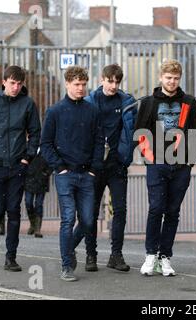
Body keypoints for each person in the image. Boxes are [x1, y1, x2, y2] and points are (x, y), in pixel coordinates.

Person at [135, 59, 196, 276]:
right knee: (156, 209)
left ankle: (165, 257)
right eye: (168, 78)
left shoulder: (189, 102)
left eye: (175, 78)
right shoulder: (148, 103)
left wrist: (189, 162)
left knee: (173, 212)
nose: (171, 82)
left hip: (181, 166)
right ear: (161, 77)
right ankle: (150, 255)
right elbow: (140, 132)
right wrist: (151, 157)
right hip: (157, 164)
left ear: (179, 79)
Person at [0, 65, 41, 272]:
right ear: (4, 82)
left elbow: (36, 133)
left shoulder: (28, 104)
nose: (16, 87)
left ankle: (11, 257)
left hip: (18, 167)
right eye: (12, 83)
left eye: (19, 84)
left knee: (14, 211)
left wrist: (27, 158)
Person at [40, 66, 104, 282]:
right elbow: (45, 143)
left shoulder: (92, 111)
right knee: (68, 219)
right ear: (67, 84)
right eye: (76, 84)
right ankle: (67, 265)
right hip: (65, 174)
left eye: (84, 84)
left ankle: (69, 249)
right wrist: (59, 167)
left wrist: (95, 168)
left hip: (87, 174)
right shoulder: (55, 111)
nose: (80, 88)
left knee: (87, 220)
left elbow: (98, 141)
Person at [72, 64, 137, 272]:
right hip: (94, 166)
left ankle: (116, 255)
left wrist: (126, 152)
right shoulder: (89, 102)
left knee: (120, 210)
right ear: (102, 79)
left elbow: (133, 130)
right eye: (110, 81)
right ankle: (90, 254)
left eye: (117, 82)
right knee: (89, 212)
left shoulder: (127, 102)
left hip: (117, 165)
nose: (114, 85)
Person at [24, 150, 52, 238]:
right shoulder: (28, 148)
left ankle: (37, 229)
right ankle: (32, 223)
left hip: (41, 179)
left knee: (39, 204)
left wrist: (47, 172)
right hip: (29, 179)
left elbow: (52, 160)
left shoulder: (46, 147)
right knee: (28, 202)